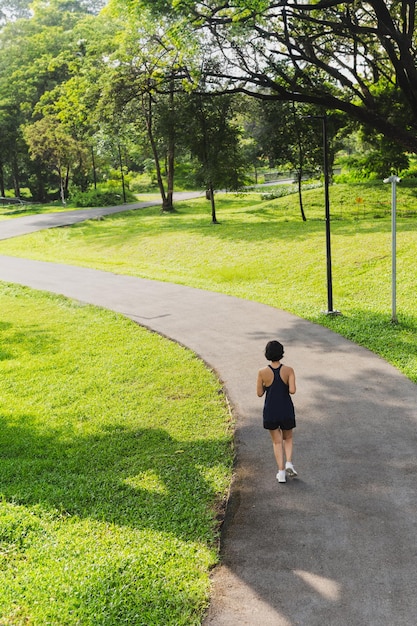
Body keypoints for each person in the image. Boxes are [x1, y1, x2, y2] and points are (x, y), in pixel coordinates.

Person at [257, 340, 297, 483]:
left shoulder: (262, 372)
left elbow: (259, 393)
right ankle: (289, 463)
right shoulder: (289, 370)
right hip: (286, 408)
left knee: (277, 442)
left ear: (267, 354)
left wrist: (266, 383)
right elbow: (292, 390)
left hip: (271, 410)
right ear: (282, 353)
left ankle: (281, 473)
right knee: (288, 438)